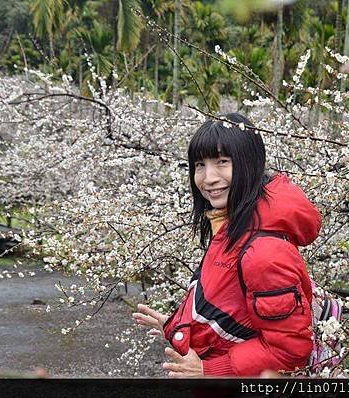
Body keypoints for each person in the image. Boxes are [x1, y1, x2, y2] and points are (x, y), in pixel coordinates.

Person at [132, 113, 321, 377]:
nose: (208, 178)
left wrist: (209, 370)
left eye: (222, 162)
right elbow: (229, 305)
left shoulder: (264, 253)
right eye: (200, 165)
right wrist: (179, 326)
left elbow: (289, 350)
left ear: (249, 164)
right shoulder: (233, 228)